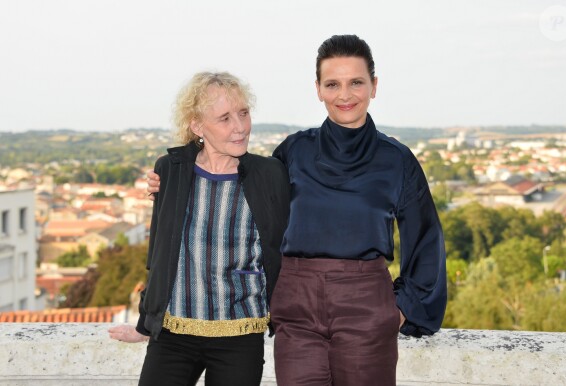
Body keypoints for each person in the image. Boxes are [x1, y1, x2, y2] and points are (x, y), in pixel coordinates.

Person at [147, 35, 447, 386]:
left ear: (374, 86)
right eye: (332, 84)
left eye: (356, 83)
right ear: (318, 89)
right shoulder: (292, 152)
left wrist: (397, 311)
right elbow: (238, 196)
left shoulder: (397, 161)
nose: (345, 95)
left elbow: (426, 240)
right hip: (296, 306)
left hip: (366, 301)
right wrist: (168, 181)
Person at [109, 71, 290, 386]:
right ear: (197, 126)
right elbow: (160, 252)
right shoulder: (171, 171)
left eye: (243, 113)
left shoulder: (270, 173)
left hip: (240, 333)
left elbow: (284, 249)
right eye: (224, 118)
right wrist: (145, 322)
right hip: (173, 332)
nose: (240, 126)